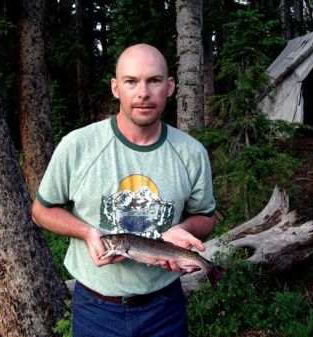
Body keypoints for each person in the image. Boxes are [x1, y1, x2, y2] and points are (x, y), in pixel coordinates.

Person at [32, 43, 216, 337]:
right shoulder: (77, 146)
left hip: (165, 306)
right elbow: (41, 210)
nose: (143, 93)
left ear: (169, 87)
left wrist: (183, 228)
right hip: (95, 308)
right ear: (116, 88)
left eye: (154, 81)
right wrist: (87, 232)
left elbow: (206, 216)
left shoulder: (191, 152)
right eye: (131, 81)